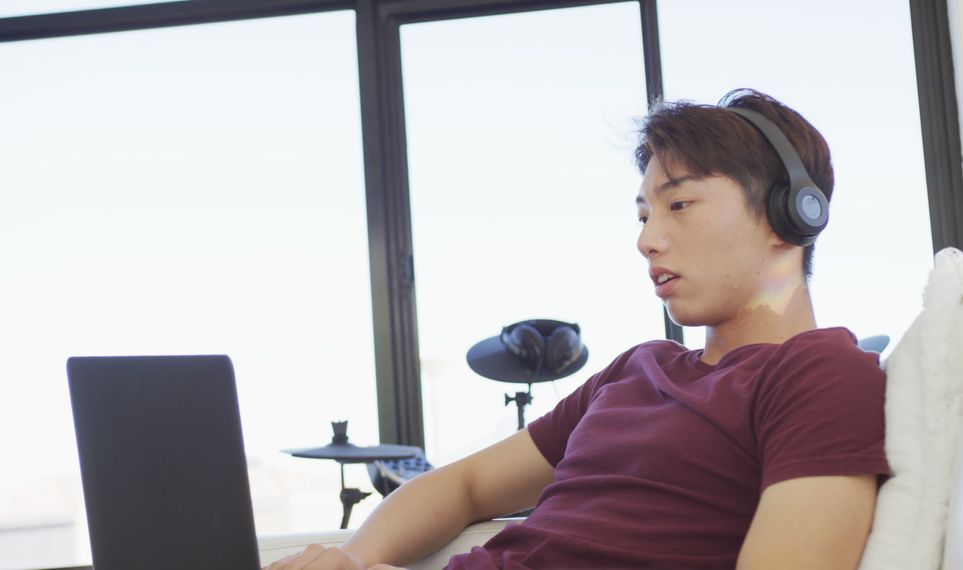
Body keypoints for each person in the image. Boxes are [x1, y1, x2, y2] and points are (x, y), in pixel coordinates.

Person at [267, 88, 890, 570]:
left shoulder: (819, 375)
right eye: (643, 214)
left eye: (679, 205)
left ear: (790, 213)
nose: (648, 239)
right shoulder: (638, 368)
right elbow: (464, 484)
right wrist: (351, 557)